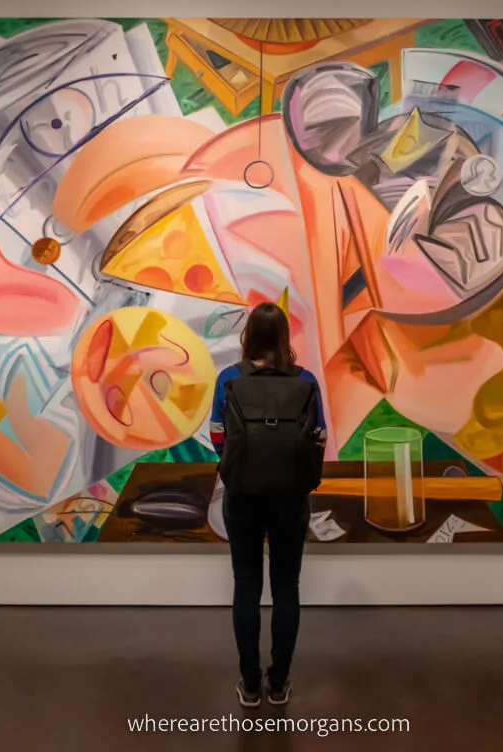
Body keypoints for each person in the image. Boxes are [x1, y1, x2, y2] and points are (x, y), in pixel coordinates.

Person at [209, 302, 327, 708]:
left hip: (241, 495)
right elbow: (318, 437)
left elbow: (218, 437)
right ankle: (279, 683)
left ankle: (250, 684)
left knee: (246, 585)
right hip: (292, 497)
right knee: (285, 588)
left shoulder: (229, 379)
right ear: (283, 338)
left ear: (248, 336)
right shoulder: (306, 381)